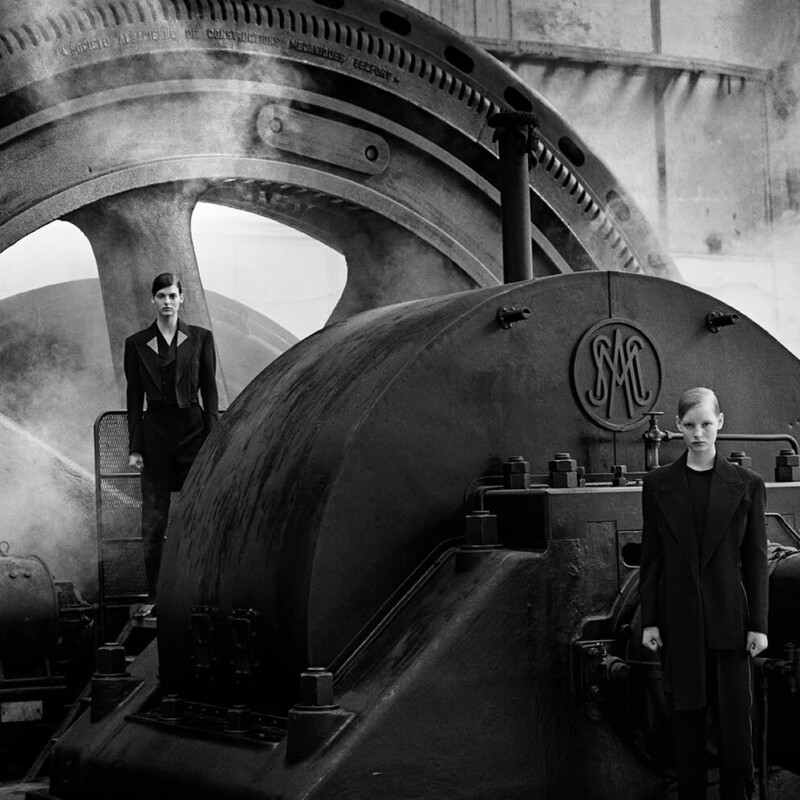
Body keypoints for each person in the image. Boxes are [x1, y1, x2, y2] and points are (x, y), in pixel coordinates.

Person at [639, 387, 768, 800]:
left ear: (721, 423)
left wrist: (759, 626)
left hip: (731, 620)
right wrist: (651, 620)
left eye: (706, 424)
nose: (699, 434)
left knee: (735, 725)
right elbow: (652, 558)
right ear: (678, 427)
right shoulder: (658, 485)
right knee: (687, 722)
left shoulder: (747, 485)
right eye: (690, 425)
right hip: (680, 622)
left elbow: (755, 560)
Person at [124, 273, 219, 616]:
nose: (167, 302)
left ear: (182, 298)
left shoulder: (201, 339)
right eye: (161, 296)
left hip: (192, 432)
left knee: (199, 512)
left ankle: (199, 590)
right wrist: (135, 448)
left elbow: (209, 391)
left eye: (172, 296)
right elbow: (134, 399)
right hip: (156, 435)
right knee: (154, 520)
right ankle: (154, 596)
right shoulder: (136, 343)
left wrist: (214, 440)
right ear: (153, 300)